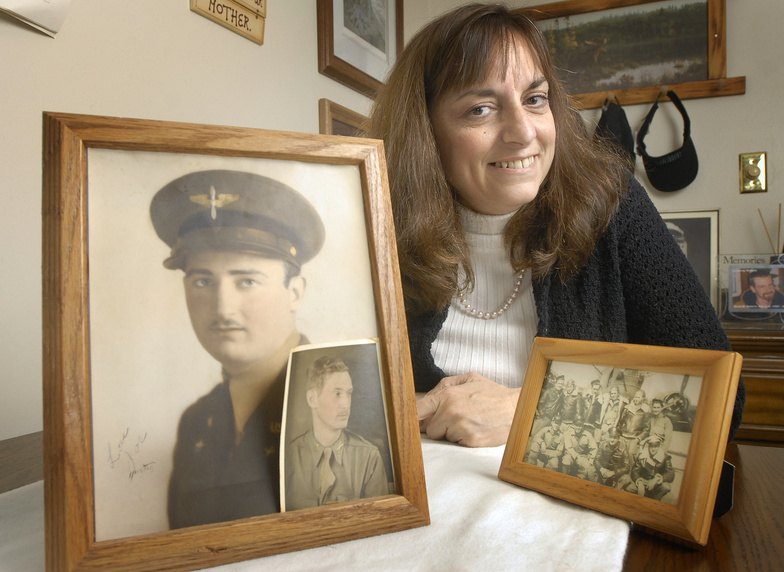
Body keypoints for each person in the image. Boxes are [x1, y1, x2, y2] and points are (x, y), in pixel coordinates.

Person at [366, 3, 744, 447]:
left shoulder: (612, 205)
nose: (523, 132)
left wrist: (531, 409)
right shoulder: (378, 227)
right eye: (481, 109)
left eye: (534, 99)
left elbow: (724, 401)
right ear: (424, 130)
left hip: (579, 510)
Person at [150, 169, 325, 529]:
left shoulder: (340, 403)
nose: (222, 308)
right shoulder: (197, 421)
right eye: (202, 281)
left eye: (246, 281)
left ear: (295, 293)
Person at [284, 356, 389, 510]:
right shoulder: (289, 456)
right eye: (337, 394)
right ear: (312, 399)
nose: (346, 404)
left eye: (349, 393)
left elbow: (380, 518)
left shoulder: (368, 457)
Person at [617, 436, 675, 501]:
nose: (653, 449)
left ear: (659, 446)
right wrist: (639, 481)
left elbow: (671, 474)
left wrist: (658, 478)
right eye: (651, 446)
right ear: (648, 446)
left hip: (656, 485)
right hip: (644, 482)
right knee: (629, 487)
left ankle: (654, 501)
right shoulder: (642, 455)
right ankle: (639, 499)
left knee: (666, 487)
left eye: (655, 446)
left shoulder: (664, 457)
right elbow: (635, 471)